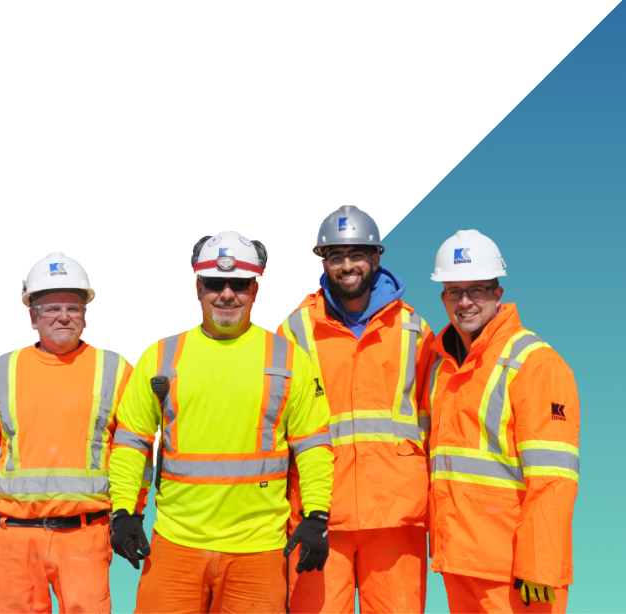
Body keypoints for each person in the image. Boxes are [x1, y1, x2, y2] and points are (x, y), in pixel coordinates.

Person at [108, 231, 334, 614]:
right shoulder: (161, 356)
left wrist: (317, 515)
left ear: (255, 290)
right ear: (198, 287)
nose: (227, 294)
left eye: (239, 283)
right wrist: (123, 512)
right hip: (176, 544)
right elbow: (132, 443)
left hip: (258, 550)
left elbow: (312, 447)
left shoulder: (288, 358)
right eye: (215, 283)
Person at [0, 252, 150, 614]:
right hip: (13, 539)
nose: (63, 316)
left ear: (85, 315)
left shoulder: (116, 369)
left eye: (73, 308)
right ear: (32, 316)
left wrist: (129, 513)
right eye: (52, 308)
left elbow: (135, 449)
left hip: (86, 536)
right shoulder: (3, 371)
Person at [277, 205, 436, 613]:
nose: (347, 266)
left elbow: (436, 421)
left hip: (396, 514)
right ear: (324, 262)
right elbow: (278, 425)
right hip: (320, 514)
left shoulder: (414, 330)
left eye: (356, 254)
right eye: (336, 256)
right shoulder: (294, 330)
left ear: (376, 257)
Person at [426, 230, 579, 613]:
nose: (465, 302)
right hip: (459, 561)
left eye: (477, 289)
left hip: (516, 571)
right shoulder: (444, 365)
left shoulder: (535, 363)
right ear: (443, 296)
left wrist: (539, 564)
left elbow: (553, 477)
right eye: (454, 291)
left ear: (497, 293)